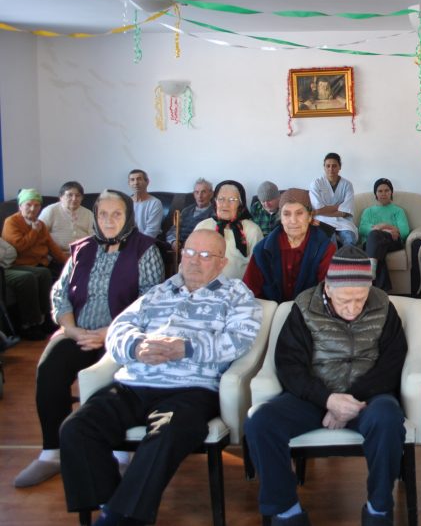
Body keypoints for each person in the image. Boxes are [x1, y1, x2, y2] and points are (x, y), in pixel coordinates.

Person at [59, 229, 262, 526]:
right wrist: (136, 347)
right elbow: (118, 329)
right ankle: (111, 505)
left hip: (191, 389)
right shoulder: (159, 291)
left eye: (205, 255)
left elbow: (239, 340)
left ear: (222, 263)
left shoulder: (236, 294)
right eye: (189, 252)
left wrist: (185, 347)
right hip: (133, 383)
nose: (194, 260)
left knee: (166, 434)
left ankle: (120, 517)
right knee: (76, 428)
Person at [246, 246, 408, 526]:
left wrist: (349, 401)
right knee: (260, 422)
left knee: (388, 418)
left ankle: (379, 509)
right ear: (328, 288)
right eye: (345, 300)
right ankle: (287, 512)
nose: (353, 308)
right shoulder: (304, 306)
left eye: (360, 299)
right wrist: (328, 400)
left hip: (367, 397)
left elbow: (392, 363)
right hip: (314, 396)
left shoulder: (383, 305)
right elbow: (289, 365)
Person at [14, 190, 164, 489]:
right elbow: (60, 292)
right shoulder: (82, 248)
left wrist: (110, 332)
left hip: (122, 335)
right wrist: (70, 329)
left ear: (128, 216)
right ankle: (52, 453)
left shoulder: (145, 249)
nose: (108, 220)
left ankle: (120, 455)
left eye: (116, 214)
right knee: (50, 370)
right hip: (78, 331)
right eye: (102, 214)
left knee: (116, 382)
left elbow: (150, 301)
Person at [244, 189, 336, 303]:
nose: (293, 221)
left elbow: (327, 292)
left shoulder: (326, 249)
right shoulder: (262, 250)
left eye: (299, 213)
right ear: (281, 218)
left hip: (309, 308)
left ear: (309, 216)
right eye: (286, 214)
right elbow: (249, 292)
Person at [3, 188, 67, 337]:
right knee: (30, 277)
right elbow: (19, 247)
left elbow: (52, 246)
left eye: (37, 205)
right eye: (29, 205)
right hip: (18, 264)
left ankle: (46, 319)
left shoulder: (40, 224)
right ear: (20, 206)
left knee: (44, 273)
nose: (33, 209)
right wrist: (33, 232)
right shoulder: (12, 222)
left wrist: (70, 263)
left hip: (39, 263)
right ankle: (29, 324)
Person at [195, 180, 264, 280]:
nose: (225, 204)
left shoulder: (252, 230)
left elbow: (259, 268)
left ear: (240, 204)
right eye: (221, 199)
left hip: (240, 287)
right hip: (204, 285)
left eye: (232, 200)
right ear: (215, 202)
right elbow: (188, 260)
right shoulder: (203, 227)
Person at [358, 178, 410, 292]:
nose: (383, 194)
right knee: (376, 244)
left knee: (374, 237)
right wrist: (388, 229)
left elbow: (404, 231)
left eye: (387, 190)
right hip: (373, 242)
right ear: (375, 194)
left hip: (393, 241)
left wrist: (383, 226)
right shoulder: (368, 211)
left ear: (391, 192)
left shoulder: (398, 211)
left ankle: (371, 270)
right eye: (380, 191)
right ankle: (383, 291)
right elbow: (362, 229)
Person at [310, 152, 358, 247]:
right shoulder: (316, 183)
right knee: (330, 243)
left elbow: (345, 212)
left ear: (340, 167)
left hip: (343, 221)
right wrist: (338, 207)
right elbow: (318, 208)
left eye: (334, 166)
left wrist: (320, 211)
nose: (331, 169)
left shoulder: (347, 185)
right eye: (328, 166)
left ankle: (347, 257)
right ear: (324, 167)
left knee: (350, 239)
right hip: (322, 221)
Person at [39, 181, 95, 254]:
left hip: (83, 253)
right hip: (56, 253)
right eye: (70, 195)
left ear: (82, 198)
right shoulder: (50, 210)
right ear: (61, 197)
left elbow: (94, 236)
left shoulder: (88, 213)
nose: (74, 199)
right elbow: (40, 234)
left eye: (78, 195)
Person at [166, 178, 214, 250]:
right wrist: (173, 241)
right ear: (194, 194)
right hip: (179, 248)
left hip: (198, 248)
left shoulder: (214, 213)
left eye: (203, 192)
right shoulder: (186, 210)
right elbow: (173, 230)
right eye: (197, 192)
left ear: (211, 194)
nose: (200, 196)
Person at [128, 169, 164, 239]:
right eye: (132, 180)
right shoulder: (125, 203)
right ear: (129, 183)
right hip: (127, 241)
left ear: (147, 182)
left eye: (139, 179)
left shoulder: (155, 203)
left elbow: (151, 232)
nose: (136, 183)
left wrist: (135, 243)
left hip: (147, 241)